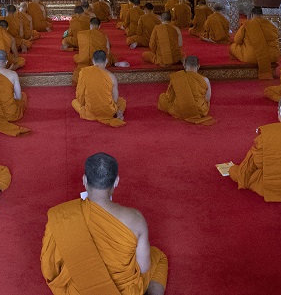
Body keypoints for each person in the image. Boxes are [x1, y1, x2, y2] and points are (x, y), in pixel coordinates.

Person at [41, 152, 168, 295]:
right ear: (116, 181)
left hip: (79, 290)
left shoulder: (62, 216)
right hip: (122, 292)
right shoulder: (136, 219)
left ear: (84, 180)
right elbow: (143, 268)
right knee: (158, 256)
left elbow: (50, 268)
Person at [72, 51, 126, 127]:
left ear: (93, 60)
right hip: (109, 112)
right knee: (121, 101)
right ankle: (119, 114)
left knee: (74, 102)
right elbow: (115, 99)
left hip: (91, 111)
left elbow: (80, 93)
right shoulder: (112, 77)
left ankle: (88, 111)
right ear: (106, 61)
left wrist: (83, 103)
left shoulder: (84, 72)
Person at [158, 56, 213, 125]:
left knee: (162, 97)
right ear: (198, 66)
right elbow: (207, 98)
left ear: (184, 65)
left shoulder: (177, 78)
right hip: (199, 111)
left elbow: (170, 96)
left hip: (180, 110)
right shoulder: (205, 80)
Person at [229, 6, 280, 79]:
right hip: (272, 56)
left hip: (251, 57)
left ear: (252, 15)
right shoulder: (272, 25)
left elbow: (237, 40)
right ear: (262, 14)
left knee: (233, 46)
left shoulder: (247, 24)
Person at [73, 18, 129, 84]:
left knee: (75, 56)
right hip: (101, 61)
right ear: (99, 26)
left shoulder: (82, 34)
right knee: (111, 56)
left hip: (86, 61)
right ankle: (115, 63)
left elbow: (80, 47)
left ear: (90, 25)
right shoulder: (103, 35)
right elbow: (108, 50)